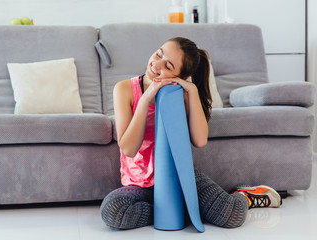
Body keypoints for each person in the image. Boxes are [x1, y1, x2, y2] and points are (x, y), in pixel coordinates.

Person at [100, 37, 281, 230]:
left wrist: (192, 92)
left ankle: (246, 196)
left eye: (168, 66)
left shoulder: (181, 95)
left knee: (232, 216)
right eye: (159, 54)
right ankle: (177, 209)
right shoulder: (124, 89)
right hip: (139, 184)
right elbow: (128, 148)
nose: (156, 64)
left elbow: (200, 140)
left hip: (177, 176)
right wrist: (145, 100)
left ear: (180, 77)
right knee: (113, 211)